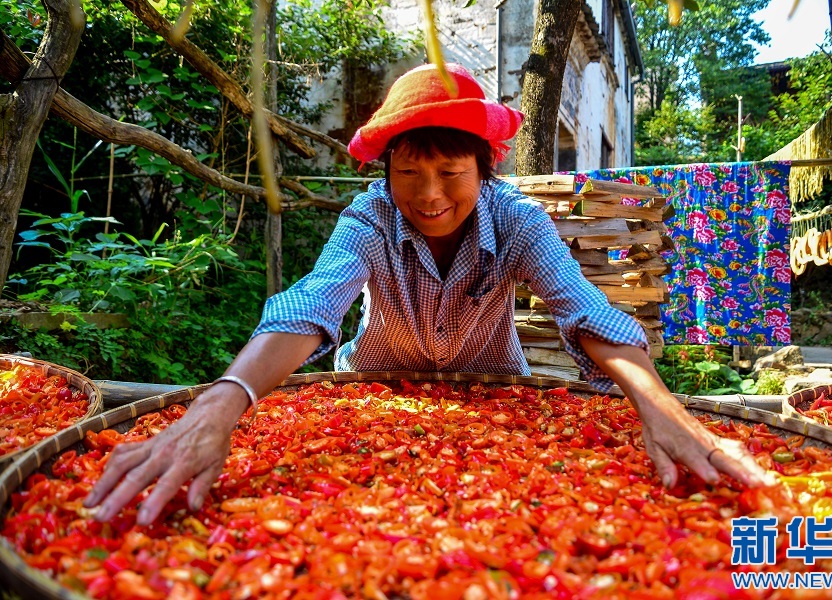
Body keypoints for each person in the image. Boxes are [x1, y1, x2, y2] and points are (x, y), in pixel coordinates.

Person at [85, 63, 769, 526]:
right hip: (372, 401)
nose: (430, 194)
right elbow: (313, 303)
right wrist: (222, 401)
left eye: (451, 171)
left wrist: (659, 404)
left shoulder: (518, 220)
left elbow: (582, 307)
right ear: (387, 171)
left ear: (485, 169)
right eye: (409, 172)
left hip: (499, 407)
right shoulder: (370, 218)